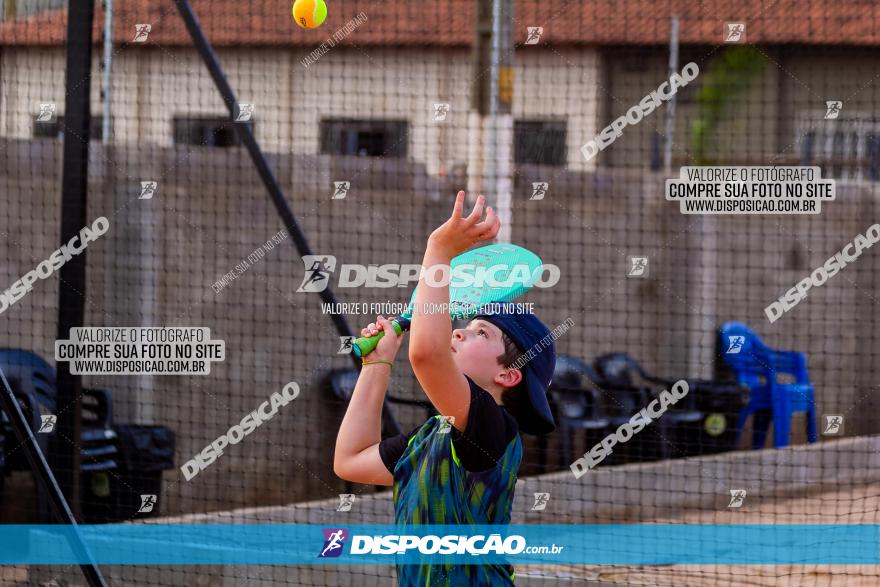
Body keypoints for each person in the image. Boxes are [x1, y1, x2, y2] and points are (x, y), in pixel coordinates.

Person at [333, 191, 557, 585]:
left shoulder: (494, 429)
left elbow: (426, 355)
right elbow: (350, 460)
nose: (459, 330)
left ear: (508, 374)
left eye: (480, 332)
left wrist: (438, 251)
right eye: (466, 325)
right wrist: (377, 364)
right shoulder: (431, 438)